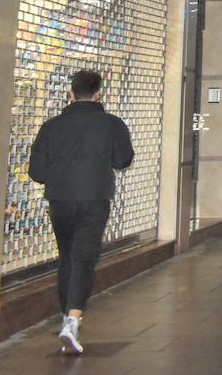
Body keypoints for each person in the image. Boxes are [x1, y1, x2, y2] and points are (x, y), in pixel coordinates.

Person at [28, 70, 134, 356]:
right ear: (98, 93)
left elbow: (37, 172)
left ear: (71, 92)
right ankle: (73, 320)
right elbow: (123, 160)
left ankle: (66, 316)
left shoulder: (51, 126)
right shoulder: (112, 124)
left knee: (68, 256)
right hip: (94, 198)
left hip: (60, 199)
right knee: (84, 256)